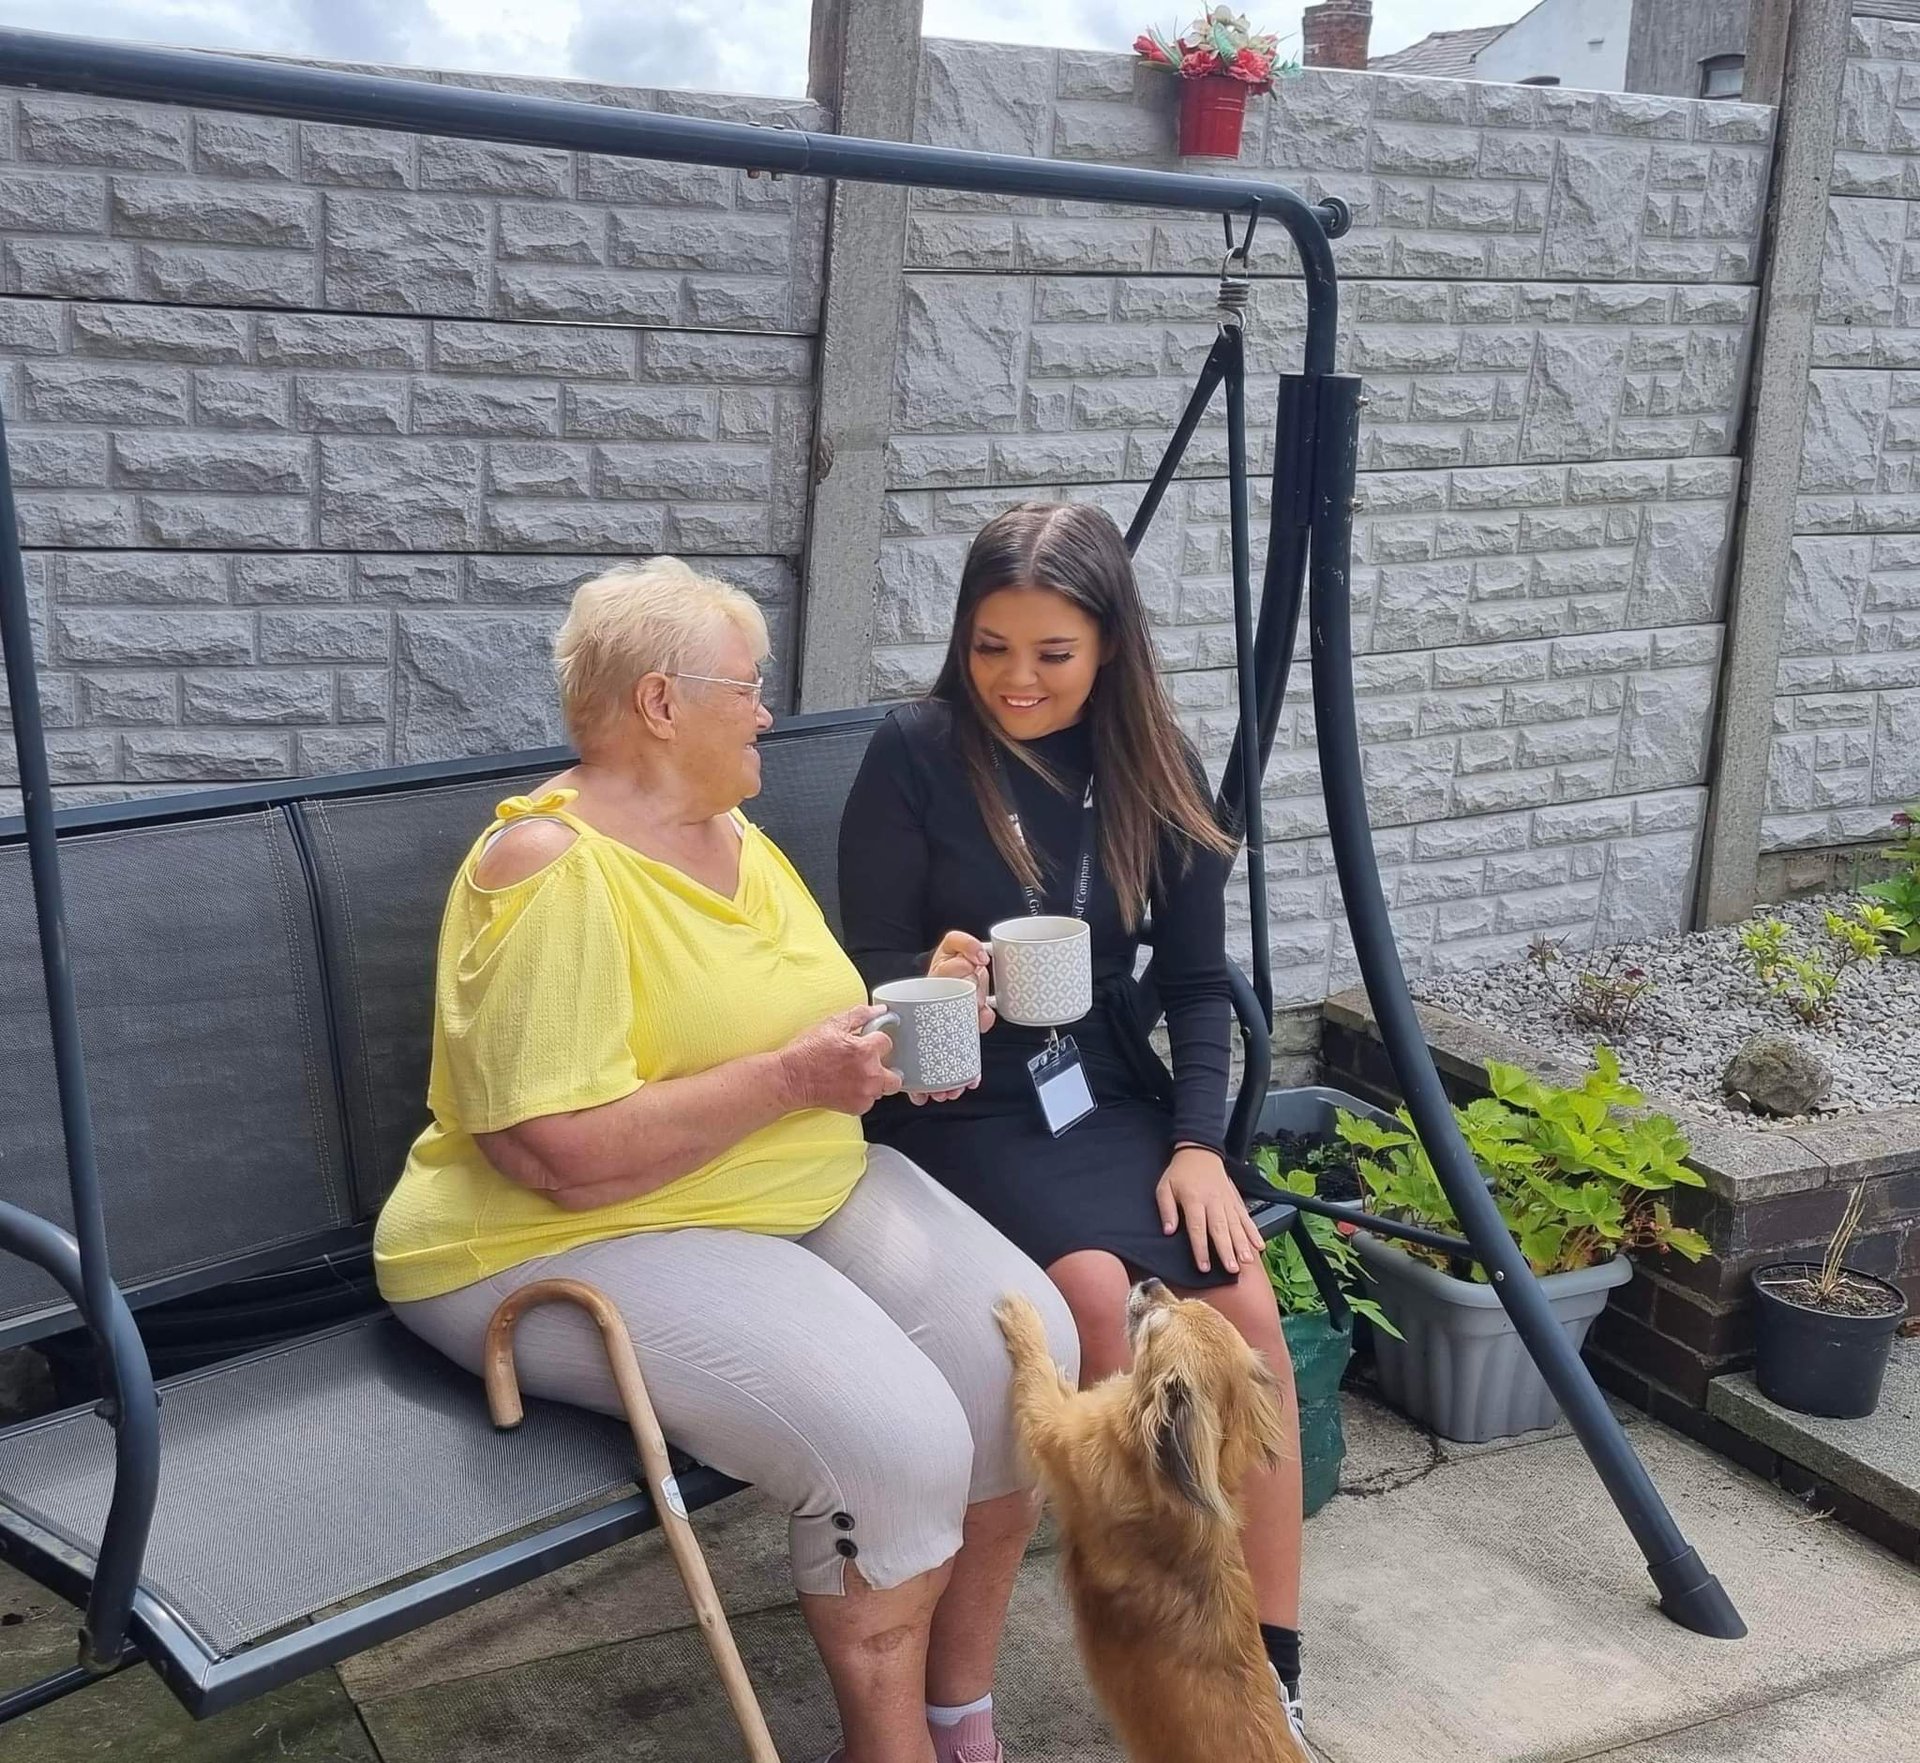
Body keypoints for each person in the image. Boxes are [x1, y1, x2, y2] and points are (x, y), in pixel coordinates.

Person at [373, 557, 1080, 1763]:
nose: (766, 712)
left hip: (774, 1184)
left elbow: (775, 1027)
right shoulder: (548, 870)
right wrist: (796, 1081)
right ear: (660, 702)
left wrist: (903, 1021)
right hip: (558, 1236)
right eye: (746, 688)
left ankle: (958, 1717)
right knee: (893, 1439)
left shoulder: (729, 830)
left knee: (1023, 1346)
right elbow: (550, 1151)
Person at [837, 502, 1312, 1743]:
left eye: (1052, 651)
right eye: (992, 645)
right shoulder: (916, 750)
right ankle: (1161, 1629)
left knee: (1244, 1307)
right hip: (961, 1096)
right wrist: (932, 972)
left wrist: (1203, 1144)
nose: (1016, 679)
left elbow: (1203, 986)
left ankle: (1271, 1666)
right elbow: (866, 956)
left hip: (1100, 1086)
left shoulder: (1154, 764)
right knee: (1101, 1295)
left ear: (1109, 645)